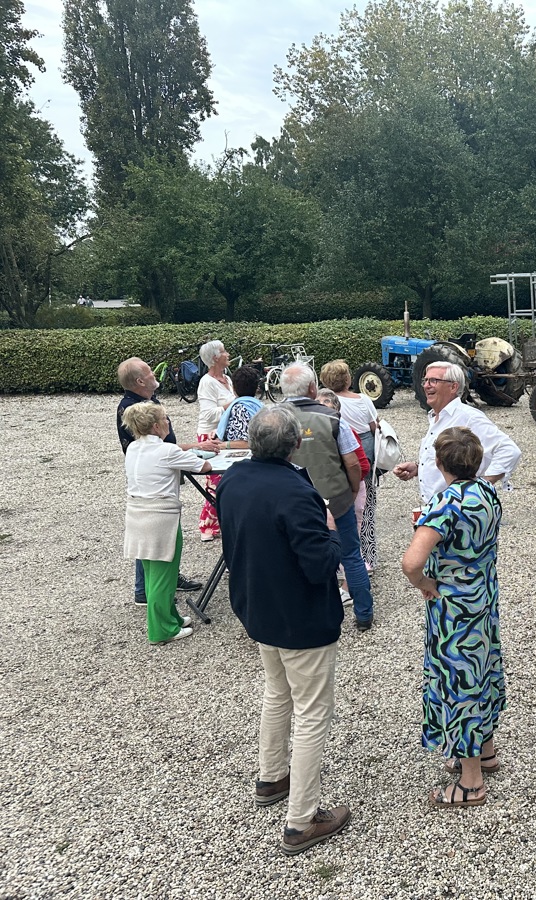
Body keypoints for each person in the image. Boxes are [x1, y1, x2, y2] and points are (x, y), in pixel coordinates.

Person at [214, 405, 352, 855]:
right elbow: (319, 565)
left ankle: (272, 777)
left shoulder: (232, 479)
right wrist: (332, 530)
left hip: (258, 608)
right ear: (295, 444)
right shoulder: (296, 492)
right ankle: (301, 820)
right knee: (312, 712)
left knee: (277, 693)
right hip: (300, 617)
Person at [402, 427, 507, 808]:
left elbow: (411, 562)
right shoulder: (488, 492)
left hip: (453, 612)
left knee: (458, 683)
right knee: (481, 671)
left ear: (439, 462)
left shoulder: (445, 503)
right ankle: (486, 751)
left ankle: (471, 782)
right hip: (482, 600)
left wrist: (424, 582)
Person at [280, 364, 376, 631]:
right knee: (351, 555)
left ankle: (303, 616)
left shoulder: (271, 418)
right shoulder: (334, 419)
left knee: (292, 558)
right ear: (313, 388)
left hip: (289, 503)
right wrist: (353, 490)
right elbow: (353, 462)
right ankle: (364, 613)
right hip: (334, 499)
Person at [116, 357, 213, 604]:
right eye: (150, 372)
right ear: (140, 381)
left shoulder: (148, 401)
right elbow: (155, 449)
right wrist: (192, 450)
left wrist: (193, 447)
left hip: (162, 472)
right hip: (154, 486)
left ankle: (166, 579)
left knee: (159, 538)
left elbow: (162, 447)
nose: (154, 374)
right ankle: (146, 591)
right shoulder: (131, 408)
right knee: (151, 539)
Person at [121, 402, 212, 644]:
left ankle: (171, 618)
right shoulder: (167, 451)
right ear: (155, 426)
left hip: (137, 515)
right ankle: (161, 630)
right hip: (160, 519)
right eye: (165, 419)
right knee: (164, 576)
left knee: (153, 574)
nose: (168, 422)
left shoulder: (133, 447)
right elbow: (204, 466)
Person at [394, 362, 522, 505]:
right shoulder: (436, 417)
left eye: (433, 380)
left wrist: (481, 486)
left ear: (453, 387)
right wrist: (419, 468)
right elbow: (450, 461)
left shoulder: (469, 417)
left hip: (456, 509)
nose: (426, 385)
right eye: (425, 380)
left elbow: (510, 451)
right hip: (436, 508)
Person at [320, 360, 381, 573]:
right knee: (366, 511)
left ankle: (337, 558)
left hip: (335, 468)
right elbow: (374, 427)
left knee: (334, 512)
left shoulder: (323, 405)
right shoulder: (363, 400)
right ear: (348, 379)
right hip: (362, 463)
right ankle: (367, 558)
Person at [196, 340, 236, 542]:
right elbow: (208, 414)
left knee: (229, 479)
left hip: (225, 434)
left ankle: (221, 522)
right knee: (215, 482)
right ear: (214, 358)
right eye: (223, 351)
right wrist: (232, 405)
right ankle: (207, 525)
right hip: (209, 436)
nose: (227, 354)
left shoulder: (227, 378)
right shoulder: (207, 383)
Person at [215, 365, 264, 450]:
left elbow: (248, 442)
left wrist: (224, 444)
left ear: (233, 388)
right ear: (257, 388)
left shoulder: (239, 408)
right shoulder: (260, 406)